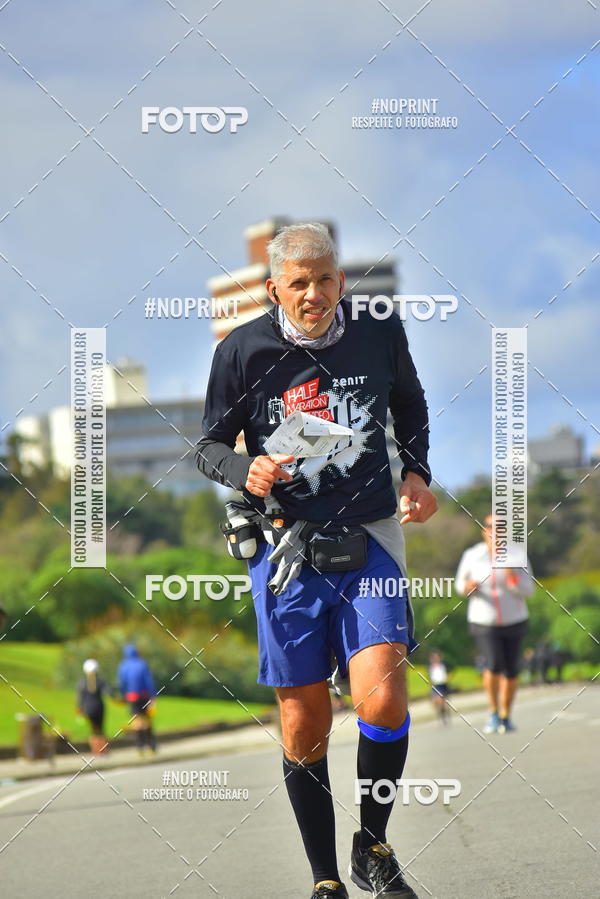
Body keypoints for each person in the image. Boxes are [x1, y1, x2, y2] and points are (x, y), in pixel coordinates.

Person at [196, 222, 437, 898]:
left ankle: (374, 843)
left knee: (384, 696)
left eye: (325, 278)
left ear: (339, 279)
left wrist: (416, 472)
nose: (314, 293)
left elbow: (410, 403)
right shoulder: (242, 350)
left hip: (371, 534)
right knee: (303, 720)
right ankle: (325, 876)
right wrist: (249, 469)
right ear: (274, 287)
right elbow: (209, 446)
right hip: (285, 545)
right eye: (298, 283)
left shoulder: (377, 331)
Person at [455, 514, 534, 734]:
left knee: (511, 670)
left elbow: (530, 589)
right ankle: (492, 712)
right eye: (490, 526)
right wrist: (467, 586)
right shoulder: (472, 555)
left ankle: (505, 715)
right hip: (483, 620)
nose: (495, 531)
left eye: (500, 527)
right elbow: (459, 585)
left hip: (514, 619)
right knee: (493, 663)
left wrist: (513, 579)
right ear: (484, 531)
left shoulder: (517, 555)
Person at [118, 644, 158, 754]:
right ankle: (151, 746)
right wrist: (153, 696)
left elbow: (122, 683)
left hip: (132, 697)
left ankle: (140, 747)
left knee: (136, 721)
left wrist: (123, 695)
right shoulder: (142, 664)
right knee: (147, 720)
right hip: (144, 696)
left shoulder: (123, 666)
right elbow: (149, 681)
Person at [76, 658, 112, 754]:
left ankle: (95, 750)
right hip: (99, 707)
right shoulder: (100, 681)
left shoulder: (82, 682)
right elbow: (108, 691)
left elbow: (80, 698)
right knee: (101, 729)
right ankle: (103, 750)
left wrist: (79, 709)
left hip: (88, 708)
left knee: (93, 730)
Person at [428, 651, 450, 724]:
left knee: (442, 701)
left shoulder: (443, 665)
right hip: (436, 685)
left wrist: (448, 678)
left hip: (443, 684)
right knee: (436, 701)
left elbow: (448, 672)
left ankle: (444, 714)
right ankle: (441, 712)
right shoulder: (431, 666)